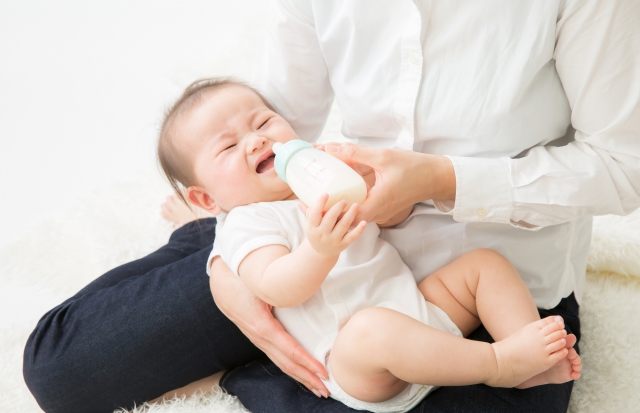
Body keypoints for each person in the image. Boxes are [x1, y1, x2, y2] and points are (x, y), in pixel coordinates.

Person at [23, 0, 638, 412]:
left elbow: (624, 167)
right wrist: (230, 269)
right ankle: (202, 233)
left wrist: (439, 182)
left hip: (464, 295)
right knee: (62, 367)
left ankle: (247, 379)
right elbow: (274, 121)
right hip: (311, 252)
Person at [157, 77, 581, 411]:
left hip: (418, 310)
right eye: (229, 146)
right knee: (370, 330)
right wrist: (319, 249)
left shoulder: (319, 176)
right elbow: (274, 285)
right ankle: (500, 364)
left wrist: (376, 194)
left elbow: (391, 216)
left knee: (484, 265)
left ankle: (532, 356)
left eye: (264, 122)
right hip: (358, 362)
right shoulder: (247, 222)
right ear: (206, 199)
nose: (257, 140)